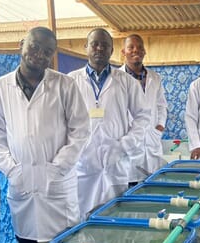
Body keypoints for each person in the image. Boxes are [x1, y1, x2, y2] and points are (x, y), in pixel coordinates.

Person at [0, 27, 90, 243]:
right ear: (22, 44)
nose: (40, 54)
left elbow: (80, 130)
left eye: (47, 51)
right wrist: (12, 169)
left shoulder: (65, 85)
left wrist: (59, 166)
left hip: (58, 185)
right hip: (22, 184)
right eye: (34, 46)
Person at [69, 28, 150, 219]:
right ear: (85, 47)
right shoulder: (71, 81)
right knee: (83, 221)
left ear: (112, 50)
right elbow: (61, 120)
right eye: (94, 44)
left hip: (116, 162)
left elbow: (143, 116)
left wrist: (124, 145)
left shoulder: (126, 81)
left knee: (116, 219)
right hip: (83, 164)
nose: (99, 48)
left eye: (105, 45)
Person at [120, 34, 168, 182]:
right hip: (129, 142)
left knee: (154, 186)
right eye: (131, 47)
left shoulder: (155, 77)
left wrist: (160, 126)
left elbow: (161, 105)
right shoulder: (116, 78)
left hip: (152, 139)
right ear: (123, 52)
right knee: (131, 188)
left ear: (145, 51)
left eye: (140, 47)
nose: (136, 50)